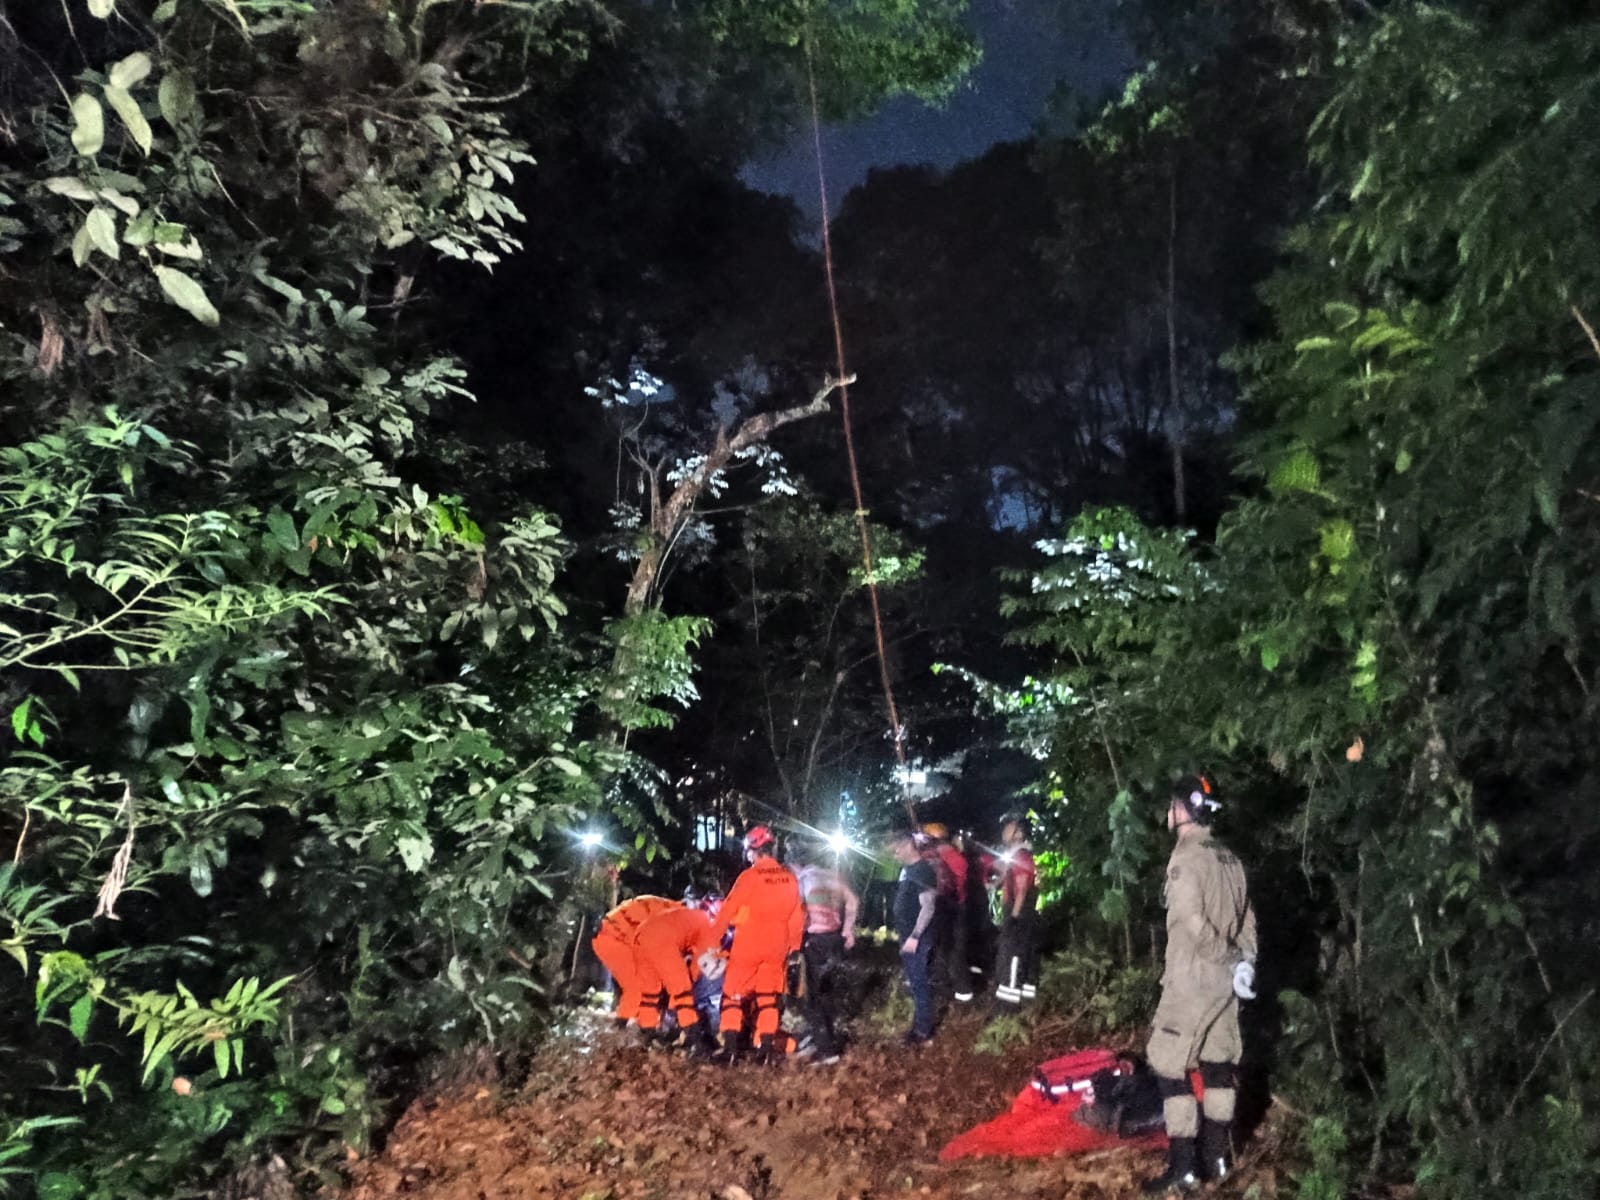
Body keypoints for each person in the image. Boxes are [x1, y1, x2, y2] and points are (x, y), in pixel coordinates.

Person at [1143, 775, 1258, 1194]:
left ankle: (1183, 1167)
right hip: (1227, 982)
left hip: (1192, 979)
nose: (1169, 813)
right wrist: (1245, 962)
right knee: (1217, 1065)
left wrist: (1228, 958)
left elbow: (1192, 922)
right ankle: (1219, 1158)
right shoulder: (1230, 858)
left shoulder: (1186, 859)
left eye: (1173, 805)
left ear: (1183, 811)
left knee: (1166, 1063)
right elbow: (1247, 918)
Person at [706, 825, 805, 1063]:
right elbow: (796, 916)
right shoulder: (789, 878)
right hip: (778, 945)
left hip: (750, 942)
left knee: (732, 996)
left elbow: (727, 910)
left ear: (755, 851)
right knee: (768, 997)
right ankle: (765, 1051)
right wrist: (794, 947)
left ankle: (730, 1050)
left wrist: (711, 940)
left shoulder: (750, 877)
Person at [793, 842, 860, 1064]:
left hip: (815, 941)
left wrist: (796, 939)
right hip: (835, 939)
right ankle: (821, 1037)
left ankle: (826, 1050)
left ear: (795, 864)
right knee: (827, 992)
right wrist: (848, 930)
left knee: (812, 997)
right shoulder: (834, 875)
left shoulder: (802, 880)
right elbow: (853, 901)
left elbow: (799, 913)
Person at [632, 893, 722, 1050]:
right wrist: (691, 980)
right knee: (683, 992)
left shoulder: (687, 915)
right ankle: (694, 1041)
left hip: (641, 936)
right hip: (662, 940)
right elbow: (700, 962)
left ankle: (648, 1033)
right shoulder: (707, 925)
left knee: (650, 993)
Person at [590, 894, 680, 1024]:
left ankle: (643, 1025)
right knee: (634, 987)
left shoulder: (667, 908)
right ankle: (620, 1027)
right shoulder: (672, 918)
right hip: (612, 939)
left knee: (648, 985)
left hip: (615, 937)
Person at [887, 830, 938, 1045]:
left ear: (908, 844)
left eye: (896, 849)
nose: (894, 854)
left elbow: (928, 906)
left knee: (919, 983)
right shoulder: (907, 870)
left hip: (917, 937)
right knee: (915, 982)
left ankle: (923, 1031)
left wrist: (915, 936)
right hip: (907, 934)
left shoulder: (922, 870)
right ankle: (919, 1026)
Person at [918, 823, 972, 1001]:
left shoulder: (928, 854)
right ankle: (958, 989)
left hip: (939, 905)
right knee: (951, 947)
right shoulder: (947, 851)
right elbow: (962, 873)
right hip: (951, 903)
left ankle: (948, 986)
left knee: (944, 946)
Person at [991, 814, 1038, 1011]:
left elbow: (1022, 888)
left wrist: (1014, 917)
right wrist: (993, 884)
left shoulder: (1021, 856)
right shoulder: (1016, 855)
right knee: (1019, 953)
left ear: (1018, 833)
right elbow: (1005, 875)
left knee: (1012, 955)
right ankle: (1025, 1000)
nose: (1004, 832)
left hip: (1019, 913)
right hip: (1015, 910)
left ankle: (1008, 1007)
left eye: (1009, 828)